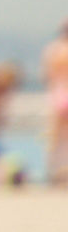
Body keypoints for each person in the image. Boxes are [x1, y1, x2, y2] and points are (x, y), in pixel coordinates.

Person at [45, 22, 68, 187]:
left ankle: (53, 171)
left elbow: (47, 75)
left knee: (55, 137)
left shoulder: (52, 50)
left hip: (57, 94)